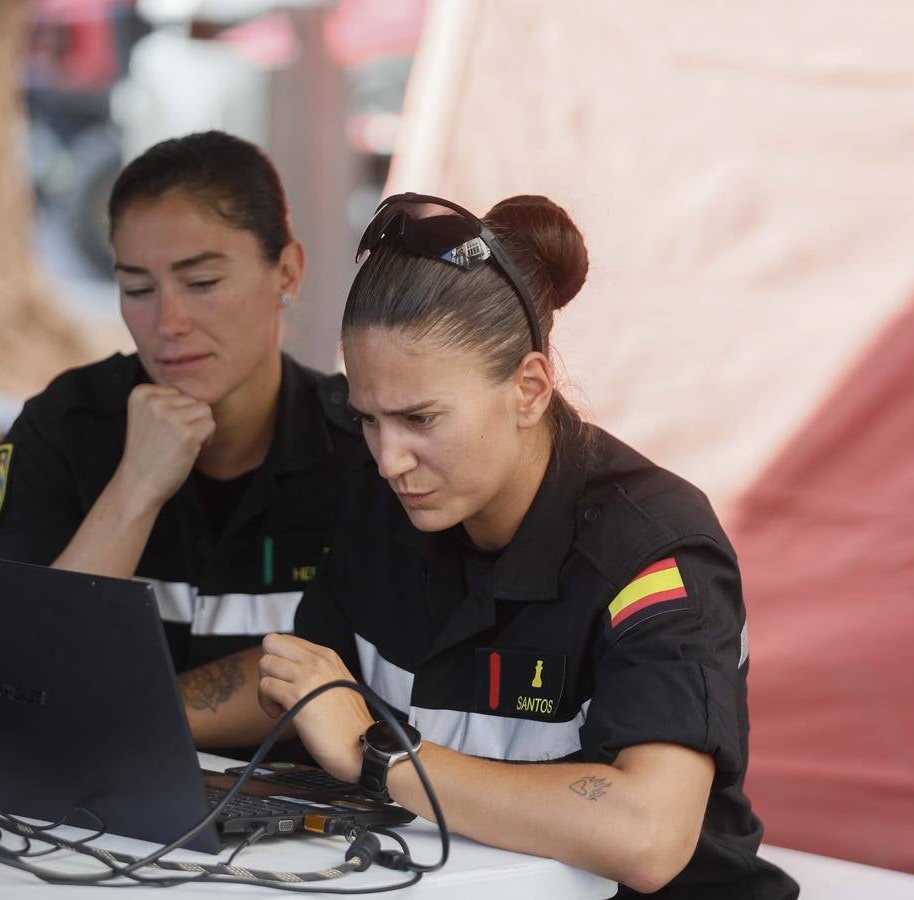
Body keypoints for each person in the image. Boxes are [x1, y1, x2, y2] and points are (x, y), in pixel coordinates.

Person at [182, 192, 799, 898]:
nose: (390, 459)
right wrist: (125, 715)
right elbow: (310, 683)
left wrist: (378, 755)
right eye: (369, 420)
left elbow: (648, 835)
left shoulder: (653, 549)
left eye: (420, 418)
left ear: (529, 388)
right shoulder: (385, 496)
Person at [0, 131, 362, 683]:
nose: (168, 324)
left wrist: (143, 720)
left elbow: (373, 677)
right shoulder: (63, 429)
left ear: (288, 273)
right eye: (138, 290)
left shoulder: (362, 450)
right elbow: (13, 670)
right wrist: (136, 487)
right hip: (87, 771)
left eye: (202, 282)